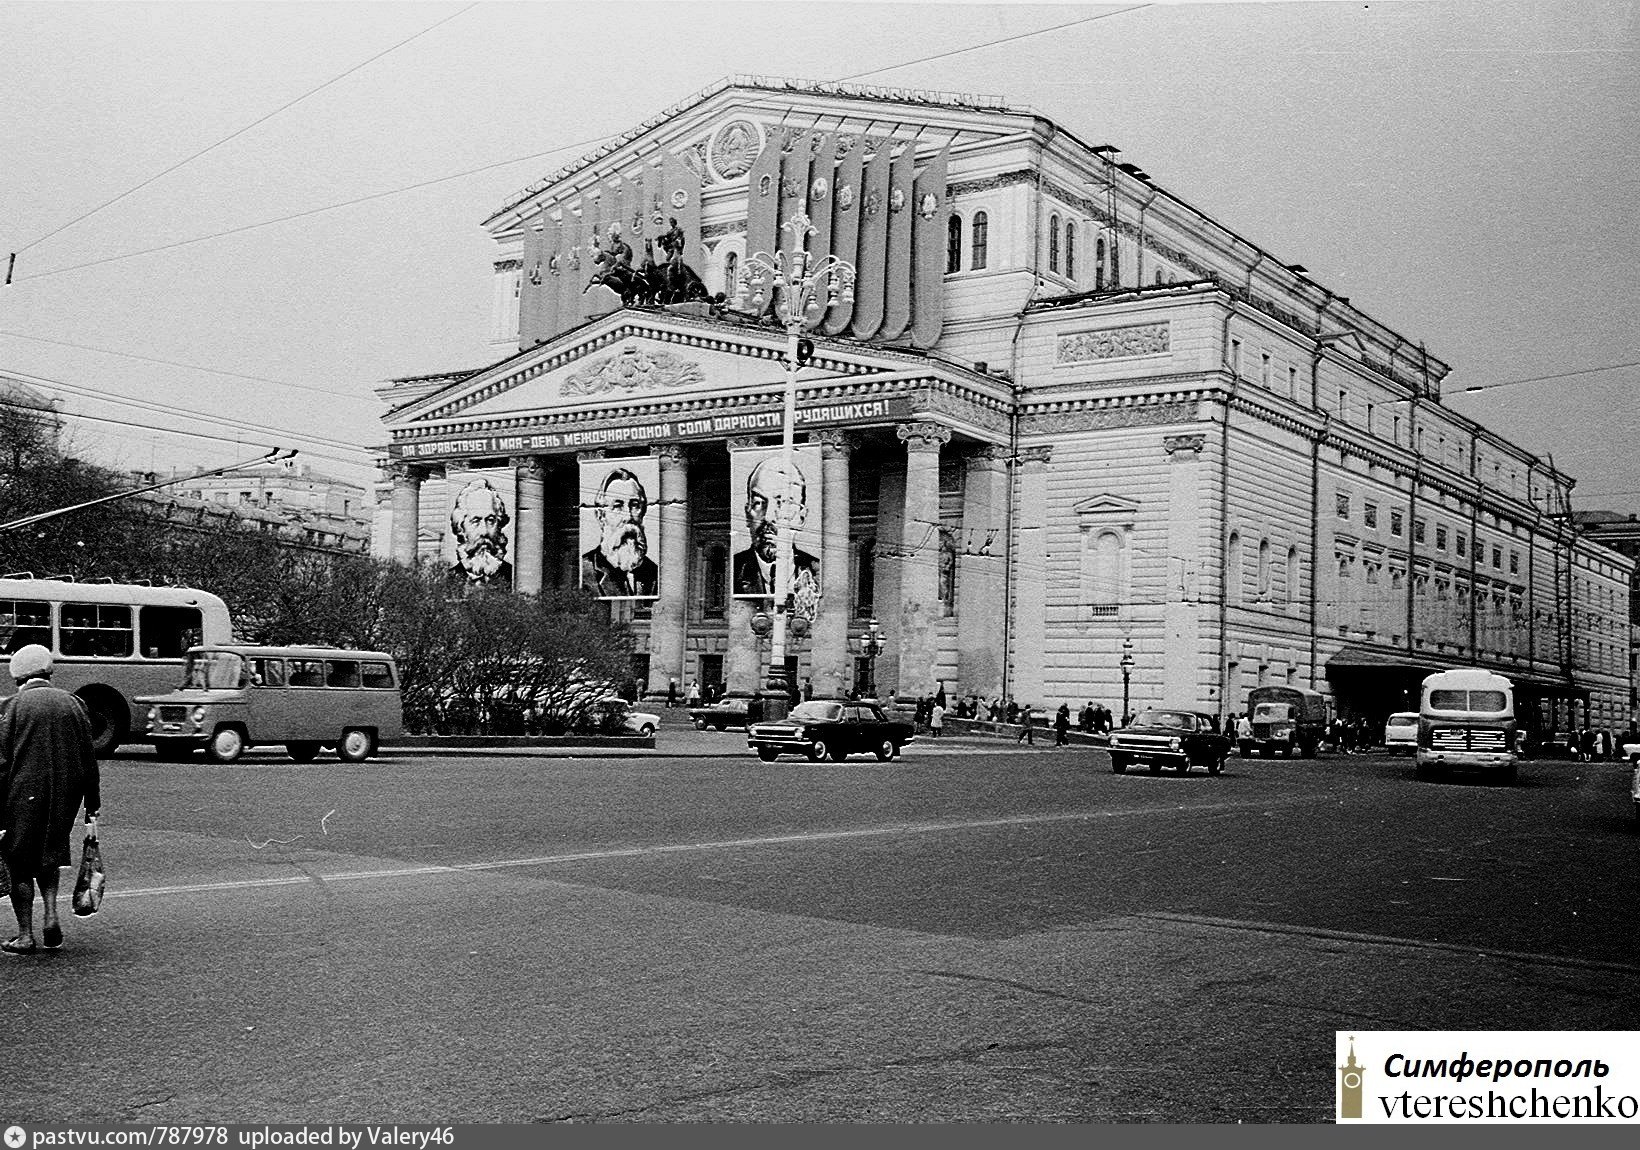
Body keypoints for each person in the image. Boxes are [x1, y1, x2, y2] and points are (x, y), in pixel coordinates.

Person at [0, 645, 101, 955]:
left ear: (18, 674)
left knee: (19, 864)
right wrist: (91, 806)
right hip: (65, 795)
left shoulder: (13, 707)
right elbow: (89, 757)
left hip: (22, 795)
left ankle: (26, 935)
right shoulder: (75, 703)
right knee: (49, 855)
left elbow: (2, 764)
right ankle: (52, 919)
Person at [732, 457, 820, 596]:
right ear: (747, 514)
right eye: (758, 503)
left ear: (801, 517)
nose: (768, 517)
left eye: (783, 503)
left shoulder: (818, 573)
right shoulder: (732, 570)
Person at [582, 467, 660, 597]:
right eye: (618, 506)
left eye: (634, 505)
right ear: (601, 516)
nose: (628, 516)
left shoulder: (655, 572)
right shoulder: (585, 570)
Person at [447, 479, 514, 587]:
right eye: (475, 521)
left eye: (491, 520)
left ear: (499, 525)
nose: (484, 531)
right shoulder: (448, 580)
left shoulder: (515, 578)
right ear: (461, 528)